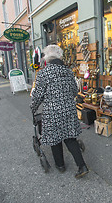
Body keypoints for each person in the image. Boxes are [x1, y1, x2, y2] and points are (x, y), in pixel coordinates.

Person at [30, 45, 89, 178]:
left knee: (55, 139)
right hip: (69, 110)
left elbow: (38, 96)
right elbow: (75, 91)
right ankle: (82, 166)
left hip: (52, 112)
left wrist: (33, 108)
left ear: (47, 58)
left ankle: (60, 165)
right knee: (70, 139)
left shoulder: (44, 73)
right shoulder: (68, 72)